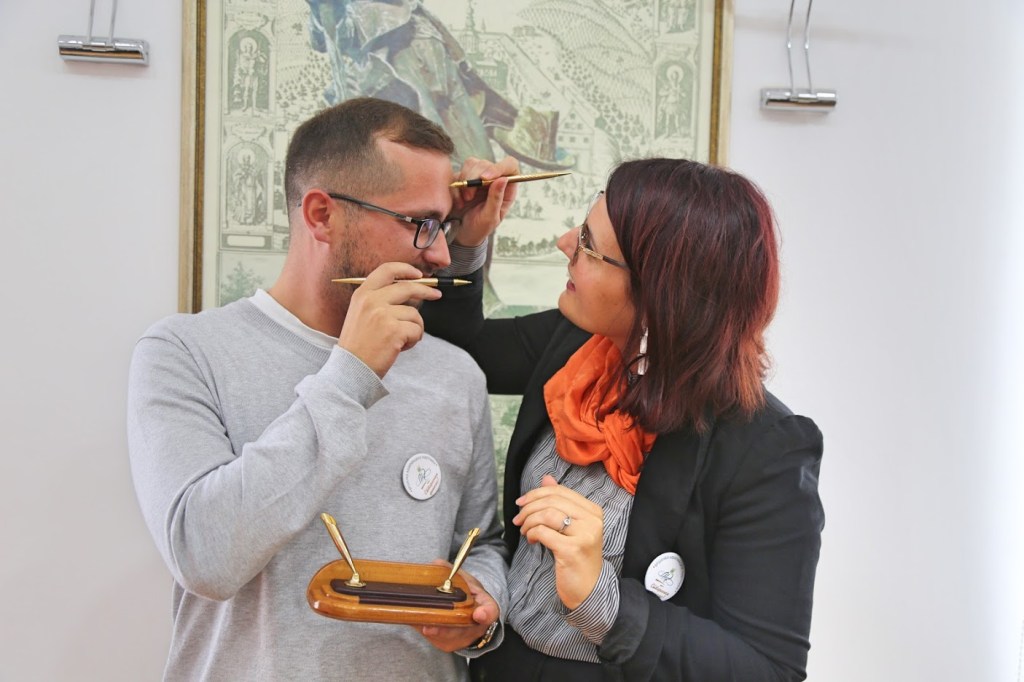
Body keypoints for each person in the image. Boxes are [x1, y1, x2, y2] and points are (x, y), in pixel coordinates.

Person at [127, 97, 520, 681]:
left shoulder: (454, 373)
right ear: (321, 215)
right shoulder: (183, 352)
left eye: (443, 226)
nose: (441, 253)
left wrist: (480, 607)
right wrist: (351, 372)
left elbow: (481, 543)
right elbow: (203, 557)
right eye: (420, 224)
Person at [422, 157, 825, 680]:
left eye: (589, 246)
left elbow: (767, 669)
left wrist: (603, 601)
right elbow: (461, 348)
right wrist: (468, 238)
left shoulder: (765, 448)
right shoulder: (577, 340)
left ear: (659, 291)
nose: (564, 243)